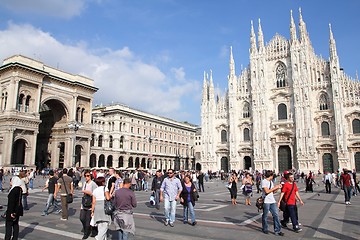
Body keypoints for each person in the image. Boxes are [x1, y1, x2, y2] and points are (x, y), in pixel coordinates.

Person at [261, 170, 284, 236]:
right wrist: (275, 187)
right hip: (266, 201)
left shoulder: (271, 182)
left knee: (276, 215)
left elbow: (273, 192)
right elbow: (267, 191)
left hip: (272, 201)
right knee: (265, 216)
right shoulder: (264, 182)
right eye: (272, 175)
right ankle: (265, 228)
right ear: (270, 176)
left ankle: (277, 230)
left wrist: (277, 188)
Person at [80, 171, 97, 239]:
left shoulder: (93, 184)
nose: (86, 177)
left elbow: (95, 194)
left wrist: (89, 193)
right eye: (85, 176)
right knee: (81, 218)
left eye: (88, 176)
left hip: (90, 204)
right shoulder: (84, 183)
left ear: (91, 176)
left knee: (87, 220)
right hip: (84, 203)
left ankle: (86, 233)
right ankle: (86, 228)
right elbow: (83, 192)